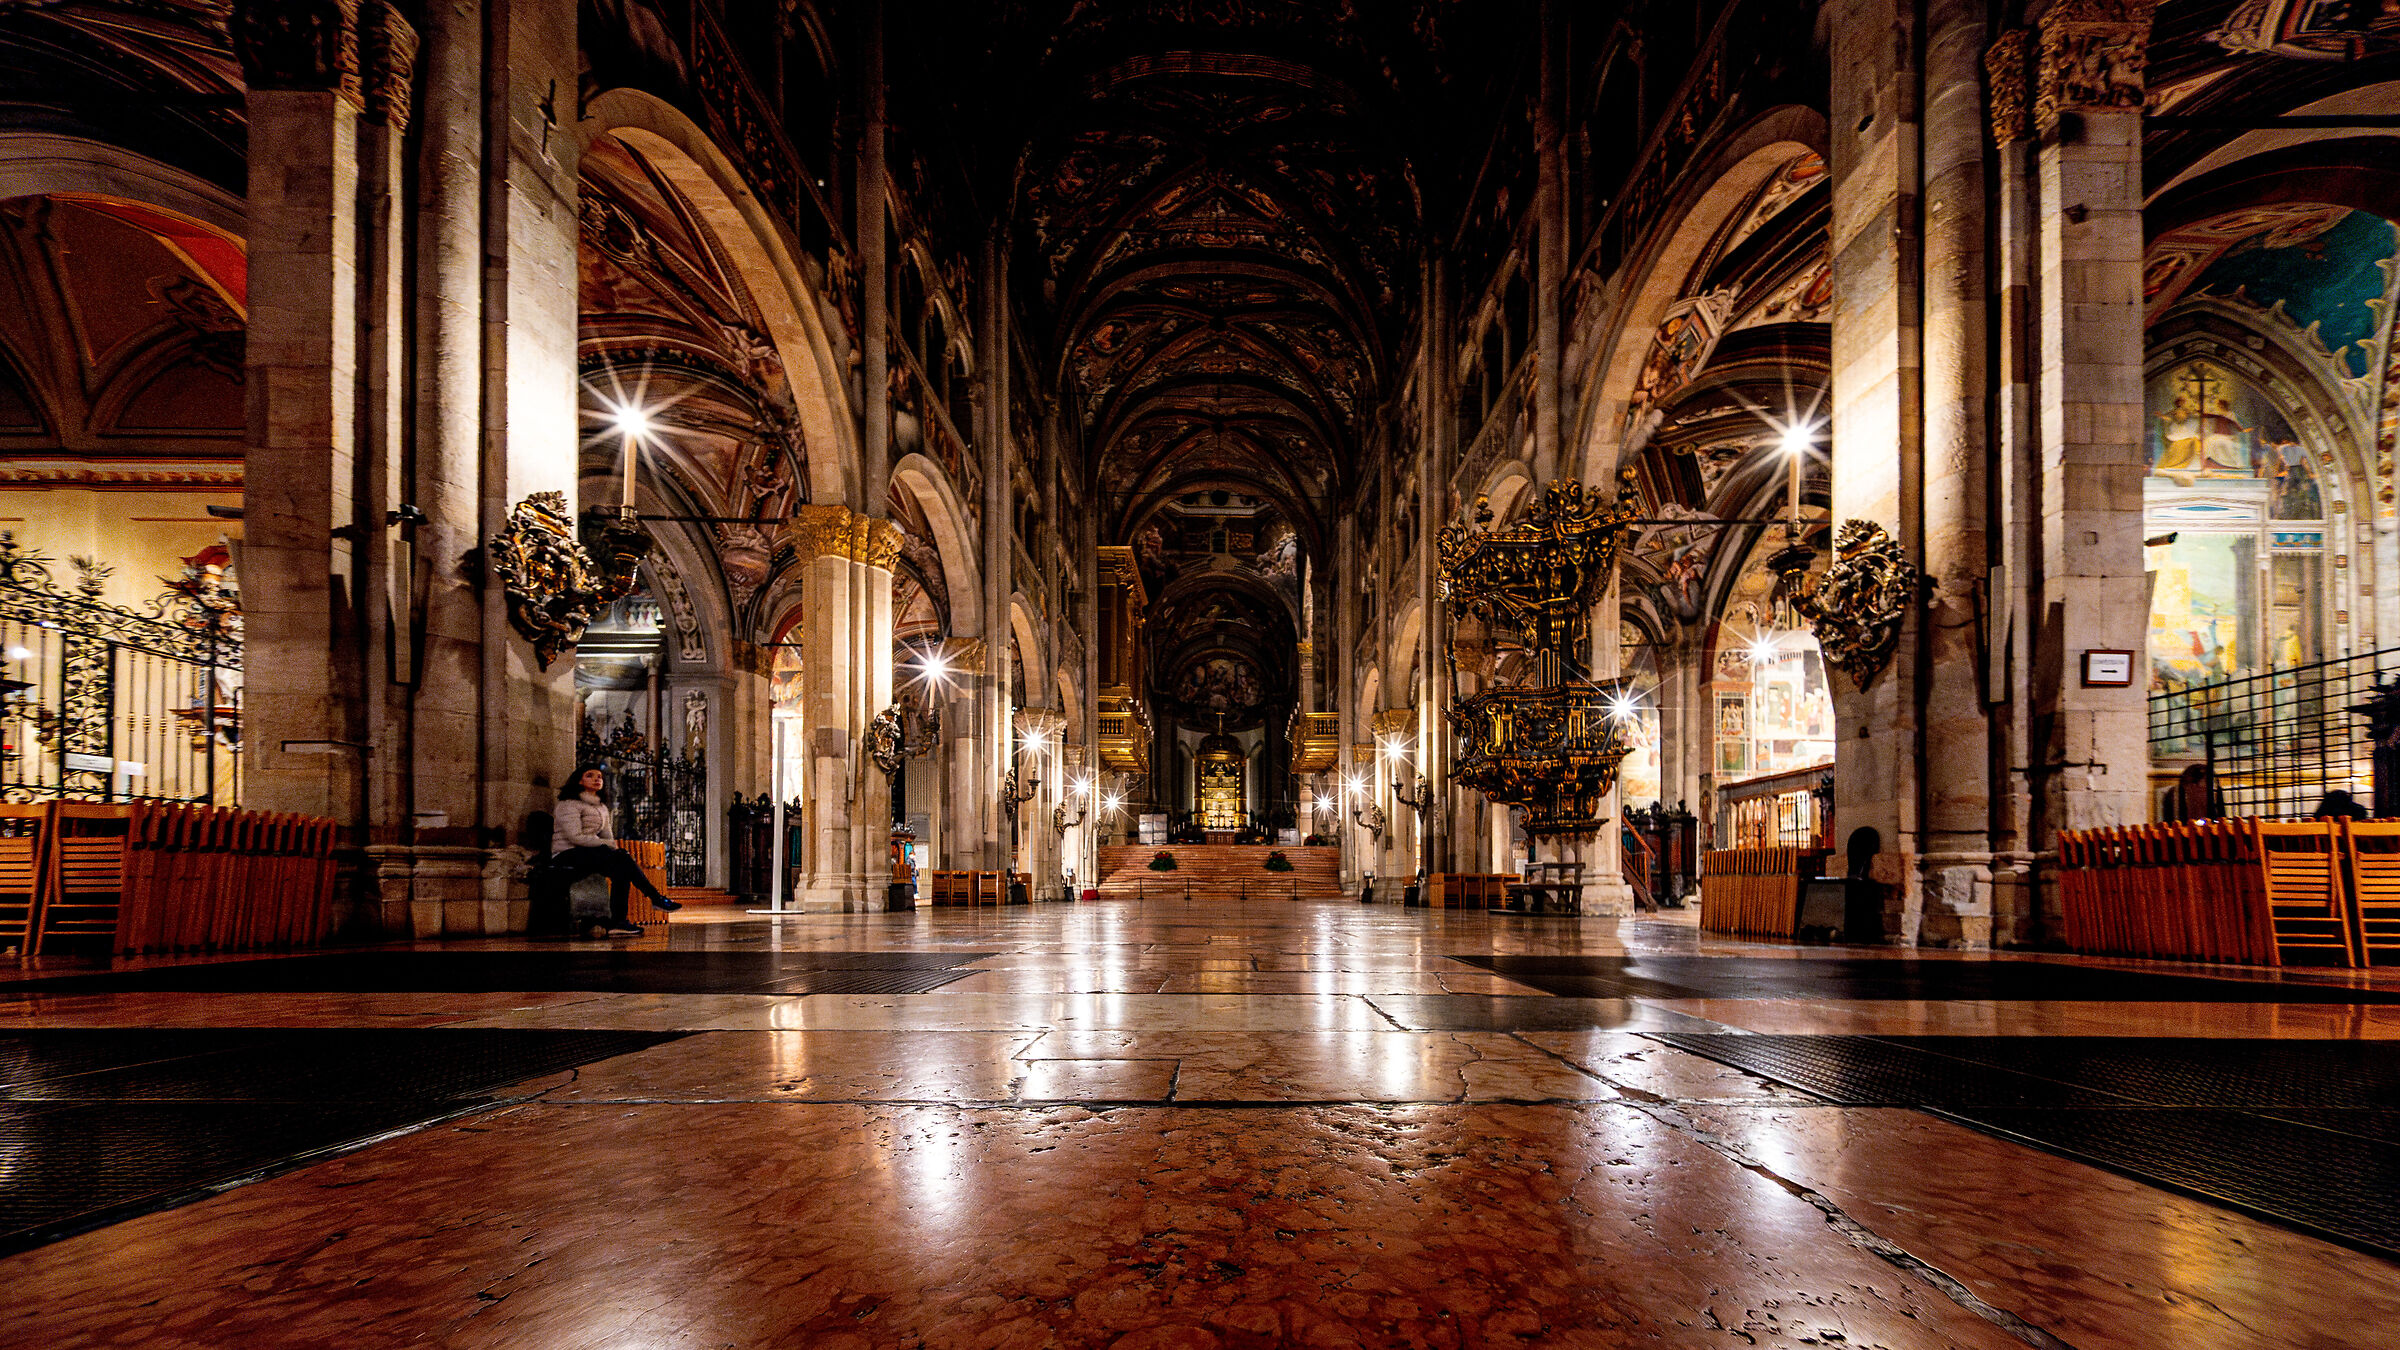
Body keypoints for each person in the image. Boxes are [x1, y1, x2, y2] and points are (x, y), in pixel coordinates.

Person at [548, 764, 680, 936]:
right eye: (590, 775)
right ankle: (655, 898)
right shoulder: (568, 804)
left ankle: (619, 921)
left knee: (622, 868)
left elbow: (608, 837)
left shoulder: (601, 807)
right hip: (567, 853)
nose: (597, 779)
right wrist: (605, 845)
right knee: (621, 859)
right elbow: (575, 837)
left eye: (599, 777)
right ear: (579, 780)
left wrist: (609, 847)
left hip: (592, 853)